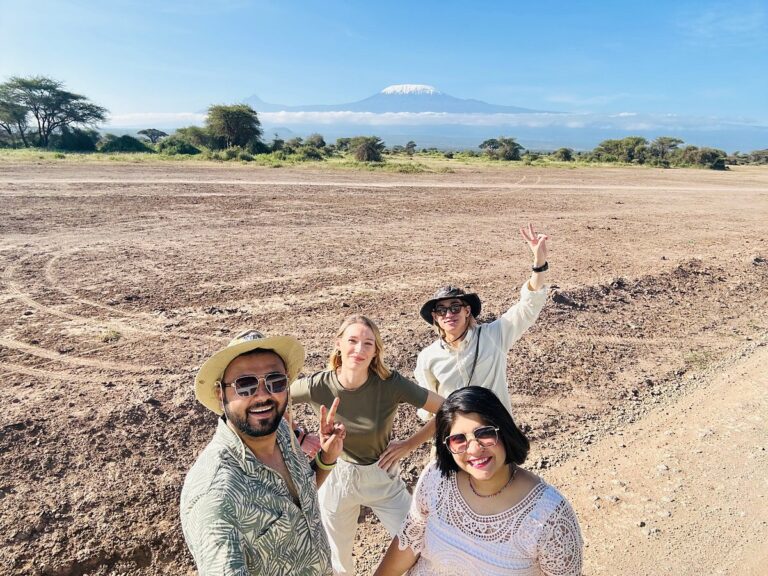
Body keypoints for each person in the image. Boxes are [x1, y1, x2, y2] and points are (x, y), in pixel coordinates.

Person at [180, 329, 346, 575]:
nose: (263, 396)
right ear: (220, 393)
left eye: (275, 382)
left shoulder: (281, 433)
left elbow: (300, 498)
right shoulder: (216, 497)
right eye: (245, 385)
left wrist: (326, 459)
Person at [291, 314, 445, 576]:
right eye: (352, 340)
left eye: (368, 344)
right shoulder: (318, 385)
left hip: (381, 476)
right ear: (338, 343)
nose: (359, 349)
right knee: (337, 561)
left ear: (376, 352)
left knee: (419, 543)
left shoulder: (390, 384)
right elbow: (273, 403)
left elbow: (446, 408)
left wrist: (409, 444)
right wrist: (300, 436)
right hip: (335, 476)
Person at [374, 386, 583, 576]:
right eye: (459, 440)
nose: (474, 449)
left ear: (504, 431)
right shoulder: (436, 478)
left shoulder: (549, 515)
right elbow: (410, 541)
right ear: (447, 446)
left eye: (484, 433)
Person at [414, 224, 549, 420]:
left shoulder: (494, 336)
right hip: (456, 440)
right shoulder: (428, 357)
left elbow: (528, 306)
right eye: (441, 310)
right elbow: (428, 410)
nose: (448, 314)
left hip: (495, 433)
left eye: (455, 307)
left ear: (467, 311)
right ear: (435, 317)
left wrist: (539, 264)